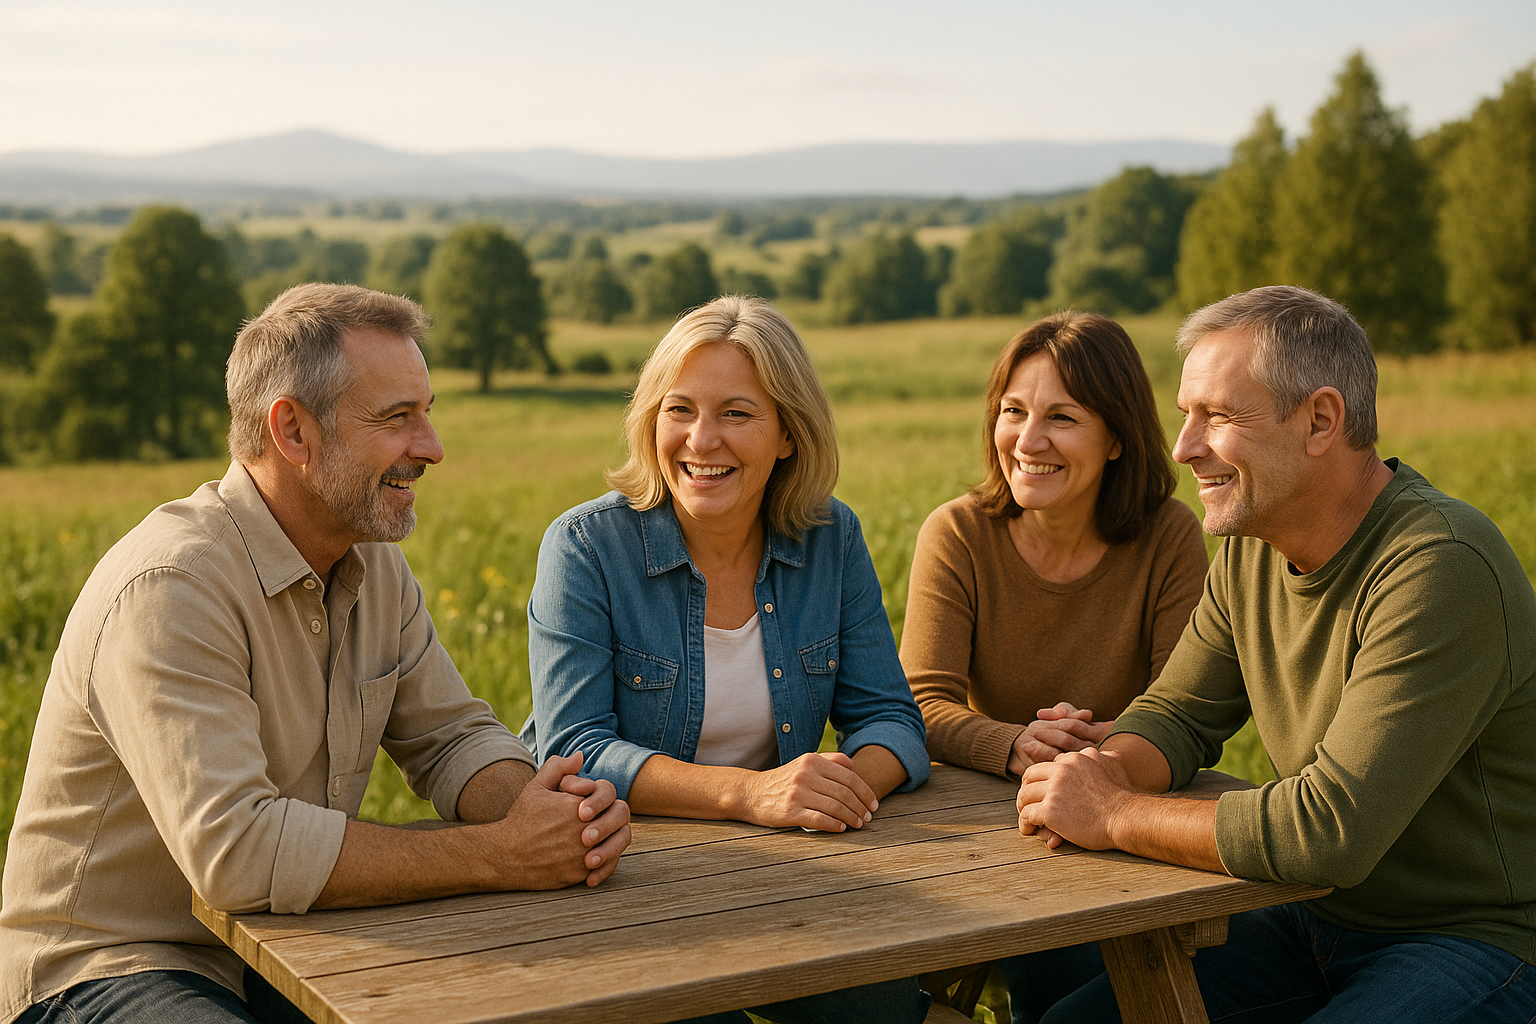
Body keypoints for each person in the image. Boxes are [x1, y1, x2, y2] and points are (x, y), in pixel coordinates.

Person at [0, 284, 631, 1024]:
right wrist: (500, 855)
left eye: (427, 412)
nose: (430, 447)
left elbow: (453, 737)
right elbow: (236, 851)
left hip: (288, 943)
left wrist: (547, 812)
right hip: (110, 966)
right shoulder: (172, 586)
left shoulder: (373, 564)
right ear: (292, 432)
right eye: (398, 419)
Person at [1018, 286, 1536, 1024]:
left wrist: (1115, 812)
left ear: (1321, 420)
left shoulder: (1439, 566)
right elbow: (1178, 714)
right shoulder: (1252, 546)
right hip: (1311, 917)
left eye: (1218, 416)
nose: (1183, 446)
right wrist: (1101, 770)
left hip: (1482, 939)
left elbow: (1326, 834)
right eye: (1184, 415)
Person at [522, 295, 930, 1024]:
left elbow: (892, 720)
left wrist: (833, 792)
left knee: (883, 1004)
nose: (701, 441)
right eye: (679, 410)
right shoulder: (585, 547)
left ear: (787, 435)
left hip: (779, 873)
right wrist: (750, 796)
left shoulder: (831, 537)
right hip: (620, 876)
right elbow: (574, 747)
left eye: (737, 414)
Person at [899, 311, 1207, 1022]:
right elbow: (921, 702)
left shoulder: (1170, 536)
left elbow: (1185, 704)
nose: (1027, 441)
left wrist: (1093, 749)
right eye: (1013, 412)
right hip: (986, 831)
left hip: (1119, 810)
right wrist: (1013, 744)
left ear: (1118, 438)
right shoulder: (959, 533)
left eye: (1062, 418)